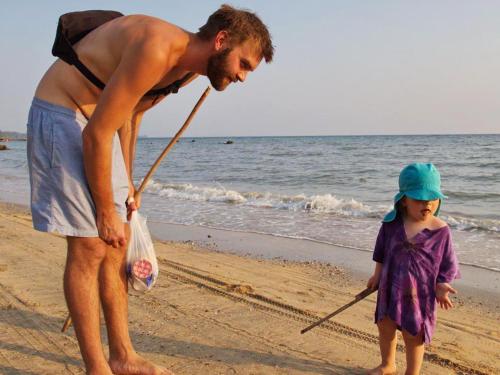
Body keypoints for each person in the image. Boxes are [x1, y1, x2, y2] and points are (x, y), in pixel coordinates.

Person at [27, 5, 273, 375]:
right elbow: (97, 134)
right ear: (221, 41)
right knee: (91, 244)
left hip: (97, 122)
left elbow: (130, 113)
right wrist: (105, 212)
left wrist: (126, 183)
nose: (242, 77)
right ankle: (98, 368)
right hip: (62, 112)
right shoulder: (157, 48)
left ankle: (122, 356)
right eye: (244, 65)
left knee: (118, 241)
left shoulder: (191, 69)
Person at [366, 163, 460, 375]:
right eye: (419, 199)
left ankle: (412, 372)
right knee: (385, 326)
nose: (427, 203)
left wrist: (443, 284)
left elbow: (448, 262)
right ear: (404, 200)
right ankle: (388, 364)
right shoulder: (391, 224)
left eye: (432, 198)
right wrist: (377, 275)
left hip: (419, 294)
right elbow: (381, 252)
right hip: (390, 286)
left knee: (414, 334)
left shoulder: (440, 230)